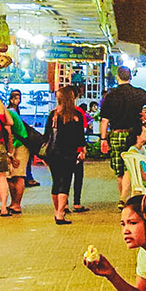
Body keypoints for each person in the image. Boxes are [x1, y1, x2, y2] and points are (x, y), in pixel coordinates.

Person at [97, 66, 146, 197]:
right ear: (130, 77)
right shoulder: (138, 92)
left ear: (117, 77)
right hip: (134, 134)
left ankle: (123, 197)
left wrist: (103, 139)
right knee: (132, 165)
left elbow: (104, 120)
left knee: (119, 169)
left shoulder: (111, 96)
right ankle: (129, 197)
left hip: (116, 134)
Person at [44, 85, 88, 223]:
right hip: (69, 153)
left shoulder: (53, 115)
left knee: (56, 182)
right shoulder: (76, 115)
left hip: (53, 153)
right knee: (65, 183)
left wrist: (44, 154)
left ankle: (57, 211)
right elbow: (80, 136)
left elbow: (46, 135)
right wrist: (82, 150)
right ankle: (60, 214)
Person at [5, 90, 37, 212]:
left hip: (19, 146)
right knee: (12, 176)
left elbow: (12, 134)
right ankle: (14, 203)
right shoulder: (12, 112)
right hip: (17, 145)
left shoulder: (9, 114)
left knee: (18, 175)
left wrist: (11, 153)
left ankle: (16, 204)